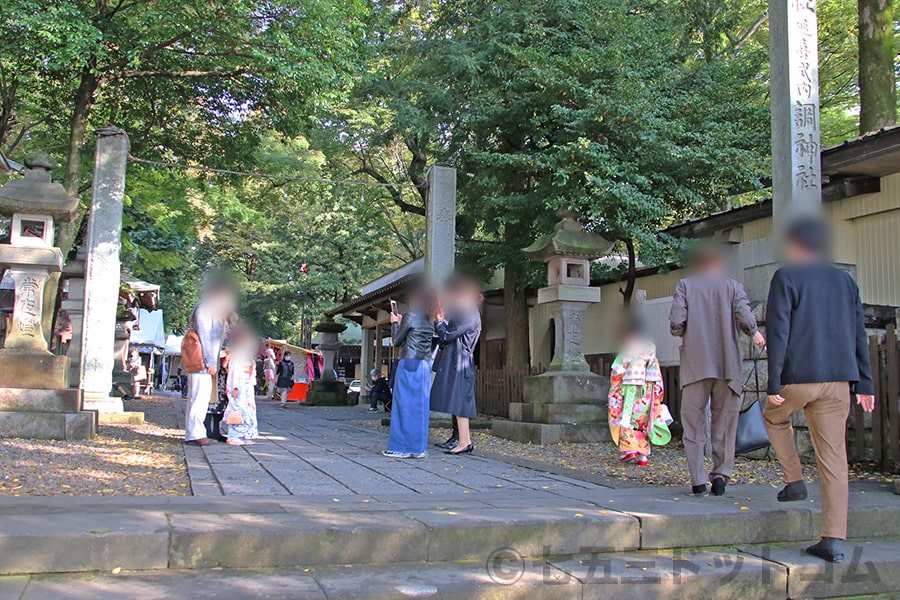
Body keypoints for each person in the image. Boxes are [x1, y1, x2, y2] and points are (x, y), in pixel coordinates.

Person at [763, 216, 875, 564]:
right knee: (834, 459)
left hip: (799, 378)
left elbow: (779, 332)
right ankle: (832, 540)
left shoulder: (787, 276)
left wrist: (773, 383)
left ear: (795, 245)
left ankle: (794, 480)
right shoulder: (845, 281)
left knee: (773, 418)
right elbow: (860, 331)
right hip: (840, 381)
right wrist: (865, 383)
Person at [669, 246, 765, 495]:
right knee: (725, 422)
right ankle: (721, 474)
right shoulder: (733, 287)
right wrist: (754, 332)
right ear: (718, 266)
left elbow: (677, 321)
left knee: (693, 423)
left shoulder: (685, 286)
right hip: (727, 365)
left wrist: (682, 332)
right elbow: (744, 315)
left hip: (695, 365)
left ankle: (698, 480)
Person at [430, 274, 482, 456]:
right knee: (459, 403)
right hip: (459, 361)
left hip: (460, 362)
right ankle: (463, 440)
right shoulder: (467, 311)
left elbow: (446, 336)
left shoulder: (466, 312)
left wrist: (438, 320)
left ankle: (464, 441)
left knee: (460, 403)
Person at [607, 316, 669, 466]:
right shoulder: (650, 349)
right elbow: (656, 372)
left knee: (627, 419)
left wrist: (615, 391)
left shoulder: (627, 349)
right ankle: (643, 456)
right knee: (644, 421)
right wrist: (657, 393)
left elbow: (617, 371)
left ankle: (630, 450)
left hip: (629, 391)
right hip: (647, 391)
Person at [383, 283, 436, 459]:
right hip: (425, 364)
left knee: (402, 405)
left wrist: (394, 324)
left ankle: (400, 447)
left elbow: (396, 341)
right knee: (420, 407)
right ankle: (418, 448)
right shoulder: (430, 318)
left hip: (409, 362)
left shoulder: (410, 315)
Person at [185, 277, 236, 446]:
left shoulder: (210, 309)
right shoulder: (206, 309)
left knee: (199, 396)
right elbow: (207, 336)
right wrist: (210, 361)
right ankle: (196, 433)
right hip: (202, 359)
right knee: (200, 397)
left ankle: (194, 432)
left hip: (203, 359)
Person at [224, 326, 260, 446]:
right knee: (238, 409)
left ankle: (244, 435)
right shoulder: (238, 354)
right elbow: (235, 370)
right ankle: (233, 435)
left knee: (248, 410)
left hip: (247, 384)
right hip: (239, 385)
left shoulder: (247, 355)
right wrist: (235, 387)